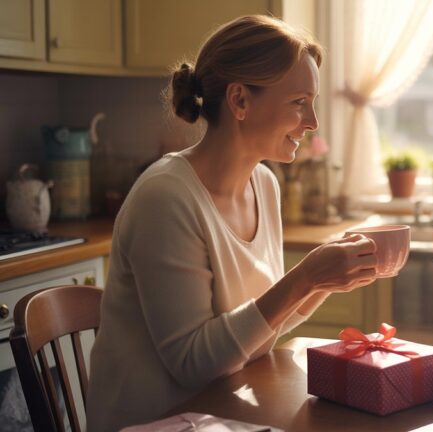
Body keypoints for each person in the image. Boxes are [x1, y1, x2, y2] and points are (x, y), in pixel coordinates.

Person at [87, 15, 379, 431]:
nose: (313, 121)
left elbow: (255, 333)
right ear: (240, 101)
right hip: (154, 425)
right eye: (299, 102)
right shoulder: (165, 197)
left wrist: (322, 281)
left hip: (220, 416)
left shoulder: (264, 184)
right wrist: (304, 278)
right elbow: (193, 365)